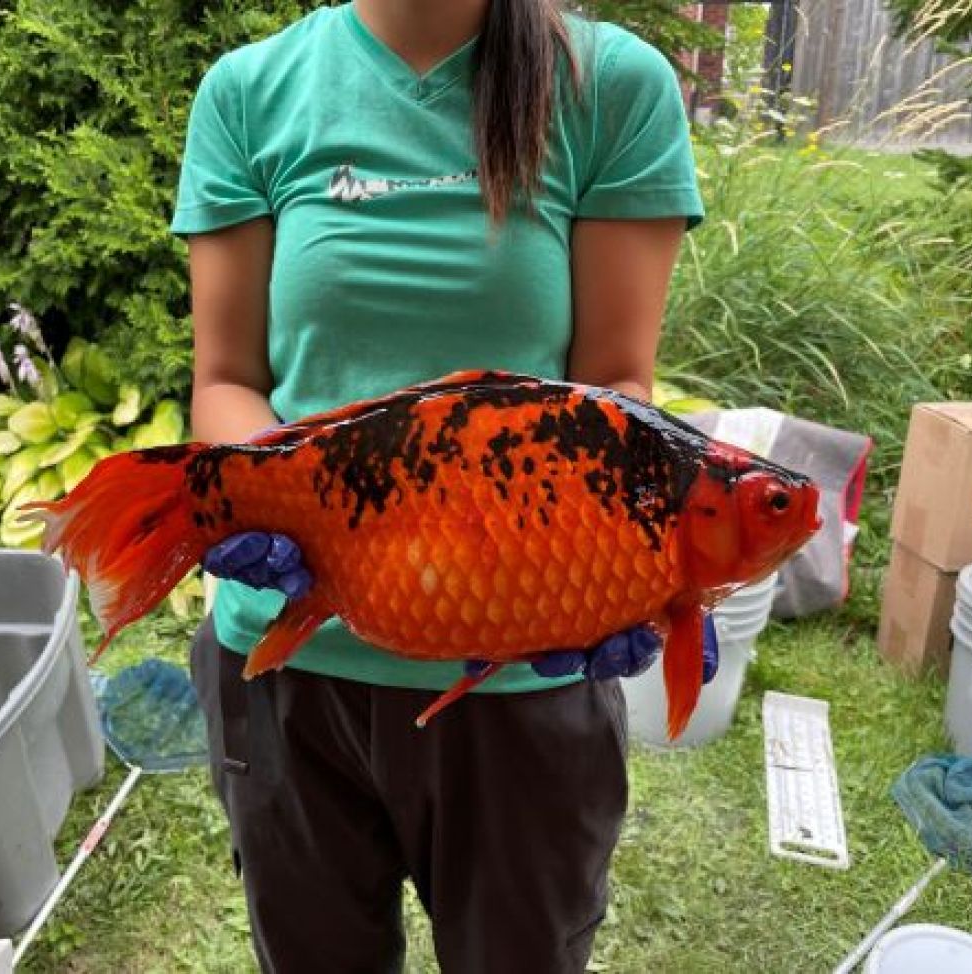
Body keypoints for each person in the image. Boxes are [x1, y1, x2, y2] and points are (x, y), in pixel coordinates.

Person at [172, 0, 705, 969]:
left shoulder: (612, 86)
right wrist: (268, 496)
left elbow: (614, 390)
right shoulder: (249, 93)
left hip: (520, 666)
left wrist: (639, 561)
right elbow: (225, 382)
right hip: (288, 670)